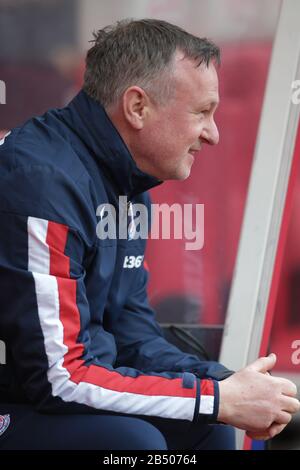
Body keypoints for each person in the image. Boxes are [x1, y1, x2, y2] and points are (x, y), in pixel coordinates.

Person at [0, 18, 299, 451]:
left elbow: (132, 340)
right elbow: (59, 378)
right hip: (23, 398)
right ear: (138, 107)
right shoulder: (42, 182)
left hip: (43, 394)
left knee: (214, 431)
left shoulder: (128, 185)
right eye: (202, 112)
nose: (213, 134)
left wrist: (231, 385)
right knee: (132, 444)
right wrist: (213, 399)